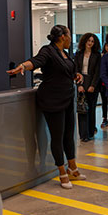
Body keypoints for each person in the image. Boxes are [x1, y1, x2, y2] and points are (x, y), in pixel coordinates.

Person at [7, 25, 86, 189]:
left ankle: (73, 167)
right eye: (69, 35)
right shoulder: (48, 50)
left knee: (69, 134)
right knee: (57, 137)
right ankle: (62, 172)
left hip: (67, 97)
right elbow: (36, 61)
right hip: (52, 99)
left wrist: (76, 75)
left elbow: (67, 71)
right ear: (63, 37)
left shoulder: (64, 53)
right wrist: (23, 66)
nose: (71, 39)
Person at [75, 33, 101, 142]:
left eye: (92, 41)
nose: (90, 43)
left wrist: (93, 85)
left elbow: (97, 72)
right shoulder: (78, 54)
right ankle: (83, 135)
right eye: (88, 41)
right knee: (82, 109)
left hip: (92, 83)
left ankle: (90, 132)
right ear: (84, 41)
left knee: (91, 109)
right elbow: (75, 69)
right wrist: (79, 85)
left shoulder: (97, 55)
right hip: (81, 82)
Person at [100, 42, 108, 128]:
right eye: (107, 46)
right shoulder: (101, 56)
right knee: (104, 102)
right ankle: (105, 118)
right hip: (103, 83)